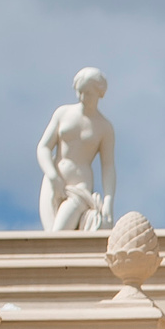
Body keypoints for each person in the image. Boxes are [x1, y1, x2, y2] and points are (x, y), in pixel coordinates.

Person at [37, 67, 119, 232]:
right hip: (54, 178)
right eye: (79, 92)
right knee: (49, 234)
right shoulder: (63, 113)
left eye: (88, 93)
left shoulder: (104, 127)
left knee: (58, 233)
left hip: (80, 185)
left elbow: (108, 167)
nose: (82, 97)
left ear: (99, 93)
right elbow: (44, 147)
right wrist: (53, 176)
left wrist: (108, 201)